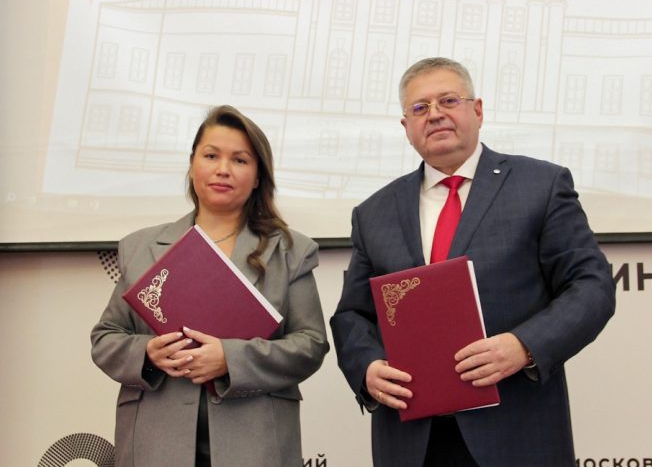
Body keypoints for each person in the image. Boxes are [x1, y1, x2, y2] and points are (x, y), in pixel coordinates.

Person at [330, 57, 616, 467]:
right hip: (412, 441)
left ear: (478, 110)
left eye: (449, 100)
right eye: (420, 107)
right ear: (406, 126)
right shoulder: (374, 212)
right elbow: (353, 315)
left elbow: (591, 286)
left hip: (517, 433)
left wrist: (524, 346)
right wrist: (367, 367)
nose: (435, 114)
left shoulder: (540, 185)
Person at [91, 105, 329, 467]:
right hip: (156, 440)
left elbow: (310, 344)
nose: (223, 169)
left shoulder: (290, 250)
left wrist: (230, 359)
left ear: (258, 176)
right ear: (192, 165)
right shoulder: (140, 248)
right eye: (211, 156)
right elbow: (106, 338)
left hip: (255, 441)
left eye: (240, 160)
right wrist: (149, 354)